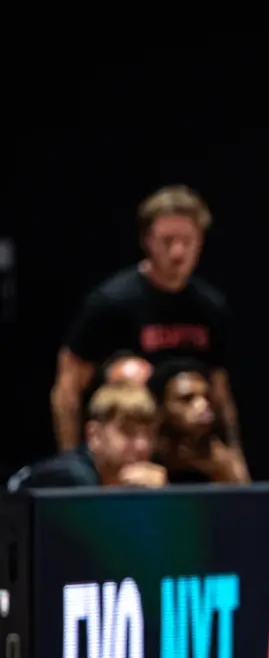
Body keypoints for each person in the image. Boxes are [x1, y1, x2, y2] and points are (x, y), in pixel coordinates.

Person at [50, 185, 246, 475]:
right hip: (127, 449)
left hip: (189, 447)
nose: (177, 252)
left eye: (187, 241)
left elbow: (220, 393)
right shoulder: (112, 303)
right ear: (146, 240)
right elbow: (67, 390)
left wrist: (235, 457)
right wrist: (73, 465)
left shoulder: (210, 307)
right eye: (167, 241)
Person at [7, 383, 166, 491]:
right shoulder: (68, 477)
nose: (142, 445)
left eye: (149, 434)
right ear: (94, 435)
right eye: (128, 432)